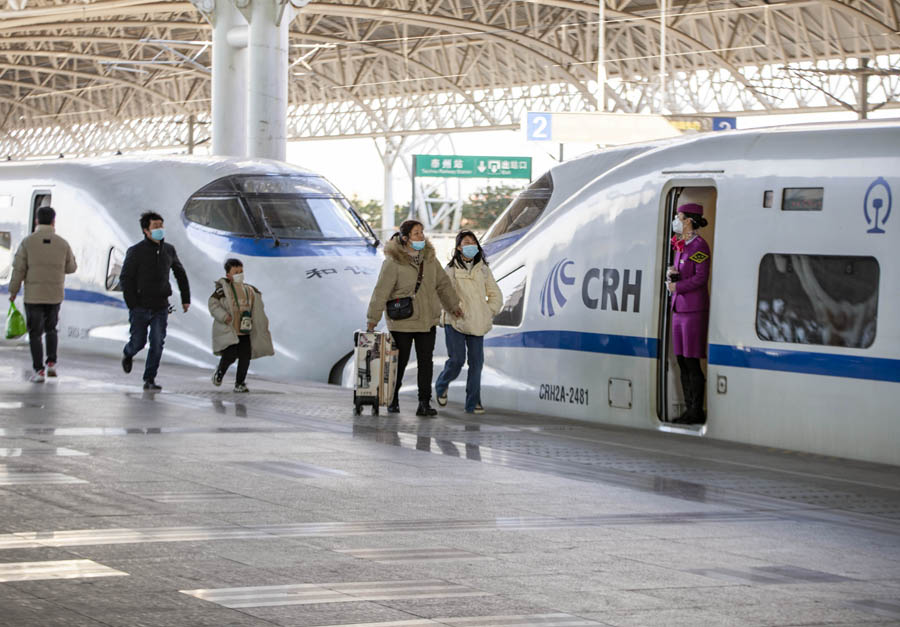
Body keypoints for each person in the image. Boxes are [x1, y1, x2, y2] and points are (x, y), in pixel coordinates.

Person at [366, 220, 462, 416]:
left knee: (426, 362)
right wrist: (373, 318)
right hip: (402, 321)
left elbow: (443, 284)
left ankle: (424, 403)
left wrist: (453, 306)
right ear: (405, 238)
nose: (421, 237)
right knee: (399, 362)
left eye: (421, 233)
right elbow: (381, 292)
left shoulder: (430, 260)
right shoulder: (393, 263)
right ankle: (392, 399)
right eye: (416, 233)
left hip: (427, 320)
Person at [120, 211, 190, 391]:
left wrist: (185, 298)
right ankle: (128, 353)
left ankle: (149, 379)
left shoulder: (169, 250)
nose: (160, 229)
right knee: (139, 342)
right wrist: (132, 304)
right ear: (146, 230)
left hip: (161, 306)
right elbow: (126, 278)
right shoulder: (135, 252)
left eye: (161, 225)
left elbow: (180, 273)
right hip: (140, 306)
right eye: (155, 226)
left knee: (157, 342)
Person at [435, 231, 502, 414]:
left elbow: (495, 294)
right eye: (466, 242)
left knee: (476, 363)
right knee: (457, 360)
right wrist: (451, 309)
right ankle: (442, 384)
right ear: (458, 247)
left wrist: (489, 311)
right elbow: (442, 294)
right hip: (455, 320)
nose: (471, 244)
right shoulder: (450, 270)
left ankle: (473, 402)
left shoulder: (483, 270)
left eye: (473, 241)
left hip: (477, 321)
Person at [7, 206, 77, 383]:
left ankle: (39, 371)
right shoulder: (63, 243)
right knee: (51, 329)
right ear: (54, 221)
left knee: (35, 333)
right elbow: (71, 268)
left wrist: (13, 292)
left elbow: (18, 270)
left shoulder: (27, 242)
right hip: (54, 295)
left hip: (33, 296)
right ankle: (52, 362)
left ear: (37, 221)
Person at [666, 202, 711, 424]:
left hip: (693, 310)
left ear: (689, 221)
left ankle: (696, 410)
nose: (676, 220)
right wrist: (672, 276)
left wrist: (679, 287)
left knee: (692, 362)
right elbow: (684, 274)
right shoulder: (681, 245)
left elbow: (701, 278)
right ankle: (688, 408)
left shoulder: (699, 247)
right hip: (678, 308)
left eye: (679, 217)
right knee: (682, 360)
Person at [208, 258, 274, 393]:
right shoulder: (222, 291)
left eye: (241, 271)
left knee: (245, 357)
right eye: (236, 272)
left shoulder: (249, 290)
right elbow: (213, 305)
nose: (239, 274)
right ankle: (220, 373)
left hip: (245, 331)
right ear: (228, 275)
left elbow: (257, 309)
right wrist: (224, 316)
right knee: (230, 355)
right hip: (230, 330)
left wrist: (260, 323)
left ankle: (240, 383)